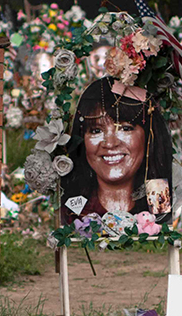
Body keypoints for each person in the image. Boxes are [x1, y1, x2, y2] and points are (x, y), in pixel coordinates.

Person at [59, 76, 173, 227]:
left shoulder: (159, 207)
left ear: (149, 136)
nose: (110, 143)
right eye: (96, 130)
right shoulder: (74, 212)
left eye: (125, 128)